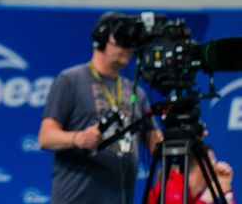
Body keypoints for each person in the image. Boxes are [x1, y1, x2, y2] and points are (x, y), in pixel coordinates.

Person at [38, 12, 163, 204]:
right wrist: (77, 138)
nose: (128, 47)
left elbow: (157, 147)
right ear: (101, 39)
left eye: (130, 42)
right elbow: (46, 137)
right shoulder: (70, 80)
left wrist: (182, 135)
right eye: (120, 39)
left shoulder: (136, 93)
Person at [147, 145, 235, 204]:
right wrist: (208, 197)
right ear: (202, 168)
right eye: (214, 165)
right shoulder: (170, 189)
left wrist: (226, 192)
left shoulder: (195, 196)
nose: (217, 169)